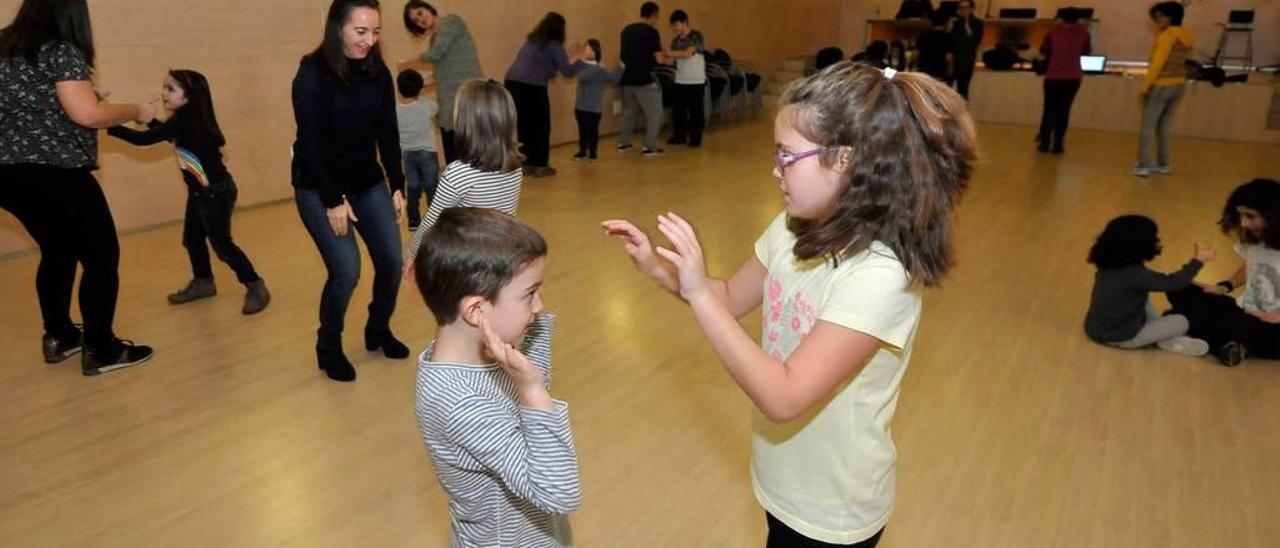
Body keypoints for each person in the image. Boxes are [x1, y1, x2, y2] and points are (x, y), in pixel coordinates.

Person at [603, 62, 975, 547]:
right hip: (783, 479)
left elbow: (784, 396)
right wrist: (659, 268)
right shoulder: (793, 228)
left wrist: (697, 295)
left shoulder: (880, 277)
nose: (775, 169)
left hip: (833, 509)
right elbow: (730, 299)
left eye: (787, 156)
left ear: (845, 160)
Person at [0, 0, 158, 373]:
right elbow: (86, 115)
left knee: (57, 249)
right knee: (102, 257)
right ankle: (102, 348)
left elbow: (30, 104)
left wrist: (80, 101)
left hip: (6, 174)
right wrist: (134, 110)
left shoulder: (4, 45)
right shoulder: (59, 49)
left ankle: (60, 335)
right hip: (57, 172)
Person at [413, 207, 581, 547]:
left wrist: (528, 345)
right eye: (529, 294)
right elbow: (557, 491)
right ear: (476, 311)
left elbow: (536, 388)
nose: (540, 307)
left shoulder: (475, 356)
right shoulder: (461, 402)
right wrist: (531, 389)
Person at [292, 0, 408, 382]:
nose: (370, 41)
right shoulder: (311, 74)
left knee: (392, 263)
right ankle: (328, 347)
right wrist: (332, 199)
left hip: (366, 182)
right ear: (337, 27)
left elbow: (388, 133)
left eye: (376, 32)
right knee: (346, 270)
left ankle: (378, 329)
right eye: (361, 32)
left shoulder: (377, 72)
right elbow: (310, 144)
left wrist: (397, 184)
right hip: (318, 185)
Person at [107, 70, 270, 314]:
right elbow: (168, 136)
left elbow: (145, 140)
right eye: (164, 87)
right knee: (192, 239)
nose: (163, 93)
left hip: (215, 193)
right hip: (201, 194)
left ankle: (256, 286)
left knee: (223, 245)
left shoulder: (184, 120)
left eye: (171, 89)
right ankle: (203, 282)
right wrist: (149, 122)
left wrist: (110, 123)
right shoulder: (186, 121)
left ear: (188, 98)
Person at [404, 80, 524, 265]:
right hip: (503, 254)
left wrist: (412, 253)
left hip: (468, 262)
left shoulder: (459, 173)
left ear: (466, 122)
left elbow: (431, 222)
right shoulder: (514, 166)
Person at [1167, 179, 1280, 366]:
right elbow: (1252, 266)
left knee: (1233, 324)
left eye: (1250, 217)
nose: (1243, 223)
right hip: (1245, 312)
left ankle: (1213, 338)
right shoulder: (1257, 238)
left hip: (1273, 327)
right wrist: (1224, 286)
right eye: (1241, 216)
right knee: (1179, 286)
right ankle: (1228, 342)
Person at [1084, 215, 1215, 355]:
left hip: (1094, 328)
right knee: (1182, 321)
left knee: (1141, 297)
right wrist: (1198, 261)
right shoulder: (1136, 274)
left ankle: (1159, 335)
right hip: (1122, 337)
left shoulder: (1108, 264)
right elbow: (1172, 283)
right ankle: (1163, 340)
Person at [503, 12, 586, 178]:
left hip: (512, 83)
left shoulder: (533, 41)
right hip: (532, 87)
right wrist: (583, 60)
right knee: (541, 125)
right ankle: (541, 165)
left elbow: (549, 65)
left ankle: (526, 164)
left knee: (525, 125)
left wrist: (569, 52)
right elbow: (567, 72)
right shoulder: (555, 45)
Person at [402, 1, 483, 164]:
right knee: (453, 158)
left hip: (469, 99)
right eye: (416, 21)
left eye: (420, 13)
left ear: (428, 8)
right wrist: (415, 87)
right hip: (449, 107)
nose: (421, 19)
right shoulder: (433, 40)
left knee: (474, 155)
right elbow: (439, 74)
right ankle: (456, 188)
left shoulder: (453, 21)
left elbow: (436, 53)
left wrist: (408, 62)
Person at [1132, 1, 1193, 177]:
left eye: (1161, 16)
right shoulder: (1186, 36)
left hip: (1161, 85)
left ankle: (1143, 165)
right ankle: (1163, 164)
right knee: (1164, 125)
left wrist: (1145, 87)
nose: (1157, 20)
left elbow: (1157, 64)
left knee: (1148, 126)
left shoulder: (1166, 36)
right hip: (1179, 84)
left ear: (1171, 17)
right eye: (1156, 17)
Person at [1036, 7, 1091, 153]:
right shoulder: (1084, 33)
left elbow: (1043, 50)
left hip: (1053, 76)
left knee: (1049, 109)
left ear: (1061, 18)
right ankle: (1058, 144)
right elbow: (1086, 51)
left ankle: (1044, 143)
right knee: (1064, 110)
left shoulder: (1052, 32)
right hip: (1073, 77)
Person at [618, 2, 670, 156]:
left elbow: (622, 57)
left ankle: (624, 143)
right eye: (656, 17)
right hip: (644, 81)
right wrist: (669, 57)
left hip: (626, 80)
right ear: (653, 15)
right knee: (655, 114)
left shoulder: (626, 30)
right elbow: (659, 59)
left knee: (629, 113)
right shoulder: (652, 32)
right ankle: (650, 146)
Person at [395, 69, 440, 230]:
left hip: (407, 154)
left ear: (399, 89)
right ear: (419, 88)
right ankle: (435, 220)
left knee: (412, 187)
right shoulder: (426, 105)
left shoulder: (396, 111)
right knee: (431, 185)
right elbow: (436, 109)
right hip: (427, 152)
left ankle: (413, 220)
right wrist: (420, 93)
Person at [572, 39, 623, 162]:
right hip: (580, 106)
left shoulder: (601, 69)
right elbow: (584, 77)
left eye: (590, 49)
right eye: (586, 48)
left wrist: (620, 68)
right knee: (583, 130)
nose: (587, 51)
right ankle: (582, 151)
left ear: (596, 51)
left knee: (593, 131)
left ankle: (593, 153)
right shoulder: (583, 66)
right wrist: (598, 67)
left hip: (594, 107)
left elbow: (613, 79)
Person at [667, 9, 707, 147]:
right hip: (680, 79)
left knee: (696, 112)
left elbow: (688, 53)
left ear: (684, 22)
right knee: (679, 111)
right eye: (672, 26)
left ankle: (695, 139)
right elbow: (671, 61)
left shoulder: (696, 36)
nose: (674, 28)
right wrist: (662, 57)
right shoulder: (675, 41)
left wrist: (669, 52)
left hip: (696, 80)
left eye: (676, 25)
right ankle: (680, 136)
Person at [948, 0, 984, 99]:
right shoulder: (955, 23)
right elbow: (949, 40)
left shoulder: (978, 23)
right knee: (946, 87)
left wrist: (967, 25)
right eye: (960, 8)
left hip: (967, 60)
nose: (962, 10)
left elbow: (976, 41)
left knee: (963, 89)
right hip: (953, 59)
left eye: (965, 8)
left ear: (971, 9)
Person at [913, 11, 954, 83]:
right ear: (945, 22)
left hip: (923, 73)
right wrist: (950, 70)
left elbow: (915, 54)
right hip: (940, 73)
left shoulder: (923, 36)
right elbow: (949, 58)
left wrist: (915, 67)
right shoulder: (948, 38)